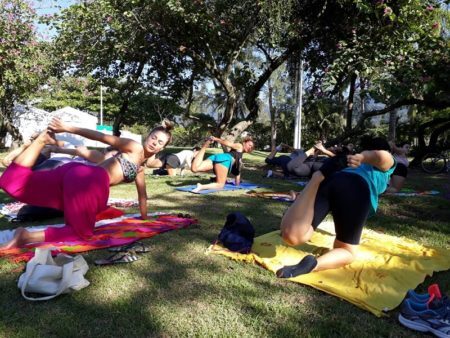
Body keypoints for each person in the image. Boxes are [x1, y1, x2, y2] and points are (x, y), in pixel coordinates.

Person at [0, 118, 173, 249]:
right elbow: (101, 137)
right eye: (153, 137)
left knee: (15, 184)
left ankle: (40, 141)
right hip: (90, 182)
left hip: (78, 174)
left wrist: (144, 219)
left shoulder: (140, 169)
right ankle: (25, 237)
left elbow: (142, 196)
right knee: (81, 235)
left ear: (162, 148)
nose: (154, 143)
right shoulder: (134, 147)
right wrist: (67, 128)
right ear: (148, 136)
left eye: (159, 142)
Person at [276, 137, 395, 278]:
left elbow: (375, 156)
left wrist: (361, 156)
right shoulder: (384, 163)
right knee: (347, 250)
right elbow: (382, 156)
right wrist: (364, 156)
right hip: (357, 188)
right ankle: (315, 264)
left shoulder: (353, 163)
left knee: (293, 235)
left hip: (332, 180)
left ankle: (316, 178)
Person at [190, 135, 255, 193]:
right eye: (249, 145)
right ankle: (201, 187)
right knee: (220, 185)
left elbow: (237, 172)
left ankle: (204, 146)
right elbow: (228, 144)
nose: (250, 147)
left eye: (252, 147)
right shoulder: (240, 146)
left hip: (217, 157)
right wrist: (216, 139)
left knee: (195, 169)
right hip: (224, 159)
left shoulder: (239, 155)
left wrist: (237, 184)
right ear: (244, 143)